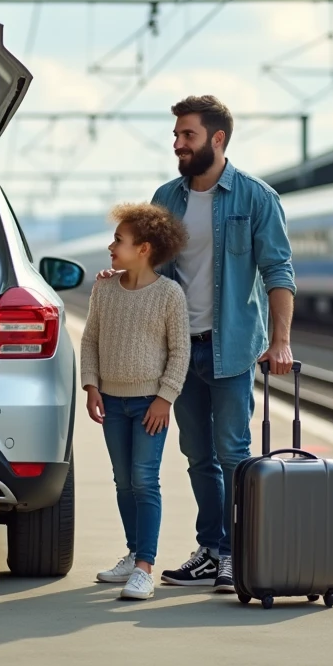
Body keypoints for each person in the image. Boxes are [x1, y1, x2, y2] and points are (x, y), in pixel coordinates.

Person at [96, 95, 296, 594]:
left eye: (188, 135)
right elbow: (152, 263)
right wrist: (120, 271)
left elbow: (279, 272)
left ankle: (234, 552)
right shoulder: (167, 196)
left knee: (233, 453)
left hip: (231, 347)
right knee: (197, 455)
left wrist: (281, 343)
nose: (178, 144)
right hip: (179, 352)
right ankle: (211, 549)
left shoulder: (256, 198)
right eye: (177, 135)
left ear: (218, 139)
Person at [81, 203, 191, 601]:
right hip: (111, 401)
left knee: (145, 482)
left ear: (143, 248)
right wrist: (91, 386)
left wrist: (165, 398)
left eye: (119, 241)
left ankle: (145, 566)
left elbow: (180, 352)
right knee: (123, 482)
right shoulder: (104, 289)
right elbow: (90, 340)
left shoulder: (169, 295)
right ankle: (132, 554)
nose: (112, 247)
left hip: (149, 404)